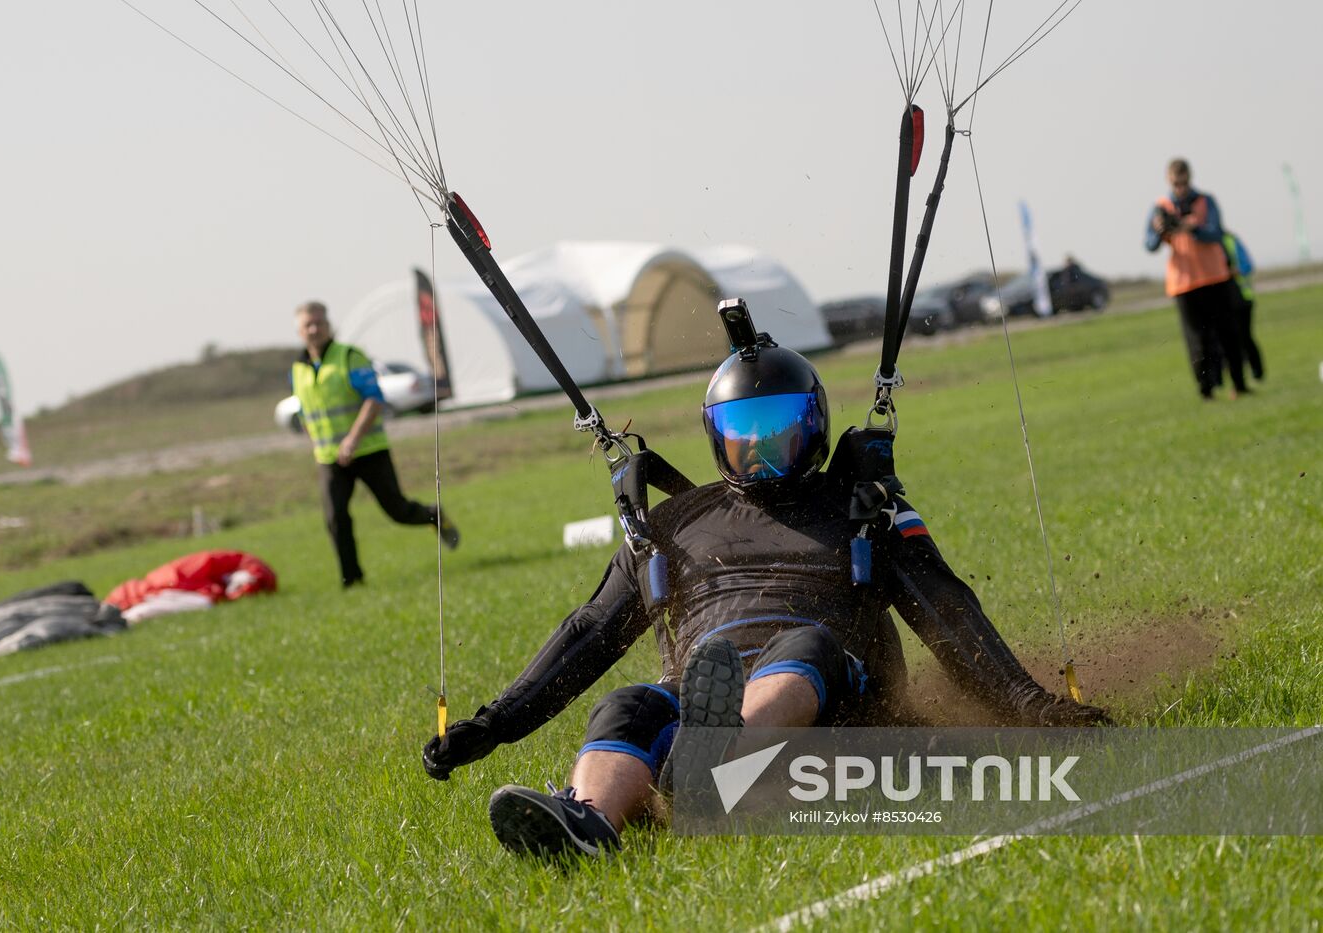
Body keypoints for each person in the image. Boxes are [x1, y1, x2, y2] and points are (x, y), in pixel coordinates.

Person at [421, 309, 1108, 858]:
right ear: (717, 438)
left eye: (780, 429)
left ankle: (716, 764)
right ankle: (591, 822)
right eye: (745, 433)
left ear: (814, 425)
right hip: (704, 697)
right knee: (627, 703)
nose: (764, 448)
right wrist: (492, 724)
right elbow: (589, 632)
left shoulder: (861, 507)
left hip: (839, 696)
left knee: (804, 642)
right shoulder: (673, 522)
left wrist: (1030, 703)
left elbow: (947, 609)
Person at [291, 300, 459, 588]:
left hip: (368, 450)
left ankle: (433, 515)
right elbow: (306, 410)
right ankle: (352, 580)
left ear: (329, 325)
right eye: (308, 324)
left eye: (319, 322)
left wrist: (352, 440)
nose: (314, 329)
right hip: (329, 458)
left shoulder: (349, 357)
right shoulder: (297, 368)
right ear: (299, 331)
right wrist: (315, 442)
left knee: (397, 511)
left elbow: (374, 398)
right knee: (335, 518)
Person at [1145, 159, 1248, 400]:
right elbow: (1149, 244)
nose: (1180, 188)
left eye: (1183, 183)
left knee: (1228, 334)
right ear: (1168, 181)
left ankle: (1239, 384)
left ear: (1190, 179)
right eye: (1175, 183)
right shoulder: (1160, 207)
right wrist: (1161, 231)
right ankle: (1207, 390)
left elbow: (1216, 231)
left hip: (1215, 277)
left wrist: (1190, 227)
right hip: (1183, 283)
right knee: (1197, 341)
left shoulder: (1205, 202)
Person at [1222, 231, 1265, 381]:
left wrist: (1234, 271)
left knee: (1244, 337)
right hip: (1222, 302)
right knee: (1227, 342)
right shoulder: (1202, 243)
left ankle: (1257, 371)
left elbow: (1247, 266)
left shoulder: (1230, 240)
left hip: (1242, 298)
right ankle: (1236, 377)